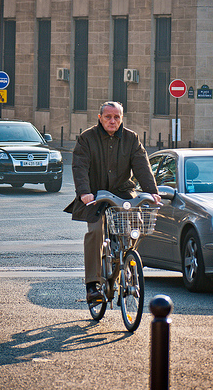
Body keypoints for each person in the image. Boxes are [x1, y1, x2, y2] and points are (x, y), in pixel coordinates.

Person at [64, 101, 161, 303]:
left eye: (117, 117)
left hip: (123, 194)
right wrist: (84, 193)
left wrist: (152, 192)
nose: (112, 121)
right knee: (96, 232)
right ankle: (93, 285)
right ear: (100, 118)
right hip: (95, 195)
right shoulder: (86, 138)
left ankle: (124, 262)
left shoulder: (131, 138)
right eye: (108, 117)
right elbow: (80, 167)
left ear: (122, 118)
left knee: (137, 226)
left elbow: (142, 166)